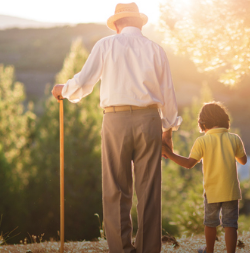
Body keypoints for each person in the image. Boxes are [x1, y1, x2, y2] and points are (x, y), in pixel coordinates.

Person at [51, 3, 182, 253]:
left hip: (115, 120)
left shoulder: (106, 45)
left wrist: (63, 90)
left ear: (118, 24)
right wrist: (168, 130)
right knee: (149, 191)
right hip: (150, 120)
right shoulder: (156, 49)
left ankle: (122, 250)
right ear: (139, 23)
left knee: (115, 189)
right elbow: (168, 93)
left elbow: (84, 81)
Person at [162, 102, 247, 253]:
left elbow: (189, 164)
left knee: (210, 223)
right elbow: (243, 160)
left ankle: (209, 251)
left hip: (212, 190)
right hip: (231, 190)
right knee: (230, 224)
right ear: (224, 120)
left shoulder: (201, 141)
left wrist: (169, 154)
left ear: (203, 123)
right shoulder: (234, 138)